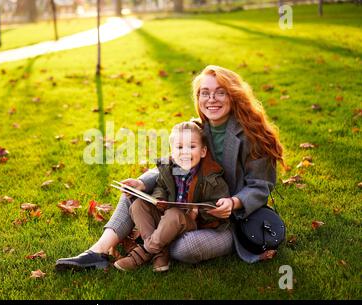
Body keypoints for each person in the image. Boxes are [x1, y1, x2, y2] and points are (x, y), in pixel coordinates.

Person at [55, 65, 284, 271]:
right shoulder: (196, 128)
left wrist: (234, 203)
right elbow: (172, 163)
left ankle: (152, 245)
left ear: (233, 96)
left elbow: (260, 186)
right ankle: (98, 252)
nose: (211, 99)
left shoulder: (253, 135)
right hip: (184, 211)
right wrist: (142, 183)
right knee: (134, 193)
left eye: (220, 92)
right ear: (198, 97)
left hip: (226, 221)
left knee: (184, 249)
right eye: (205, 93)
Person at [114, 121, 230, 272]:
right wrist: (158, 199)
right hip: (167, 216)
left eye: (192, 147)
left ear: (203, 151)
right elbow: (161, 186)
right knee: (138, 205)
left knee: (174, 214)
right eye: (179, 147)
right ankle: (160, 254)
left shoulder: (211, 177)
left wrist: (198, 212)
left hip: (192, 222)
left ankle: (144, 252)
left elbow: (218, 205)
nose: (185, 152)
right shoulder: (170, 169)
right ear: (172, 151)